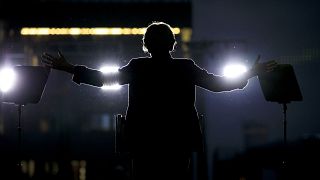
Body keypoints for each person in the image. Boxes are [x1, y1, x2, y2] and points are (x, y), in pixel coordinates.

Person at [41, 22, 276, 180]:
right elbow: (218, 83)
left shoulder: (138, 67)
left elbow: (104, 79)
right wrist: (250, 73)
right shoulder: (186, 67)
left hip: (144, 143)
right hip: (177, 143)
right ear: (173, 44)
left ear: (146, 44)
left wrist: (69, 67)